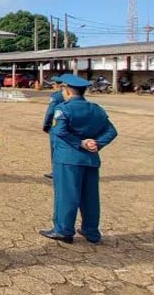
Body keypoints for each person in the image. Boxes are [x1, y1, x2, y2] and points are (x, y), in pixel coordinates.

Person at [40, 74, 118, 244]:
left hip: (68, 159)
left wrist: (80, 143)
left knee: (66, 195)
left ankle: (63, 230)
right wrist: (96, 143)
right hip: (90, 159)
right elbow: (112, 131)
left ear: (66, 90)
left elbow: (60, 131)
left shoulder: (64, 109)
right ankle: (91, 231)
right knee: (90, 196)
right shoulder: (96, 109)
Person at [42, 76, 65, 180]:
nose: (53, 86)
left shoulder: (56, 96)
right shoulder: (74, 94)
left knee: (56, 149)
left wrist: (46, 125)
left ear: (59, 85)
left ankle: (56, 172)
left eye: (53, 84)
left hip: (58, 126)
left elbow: (51, 111)